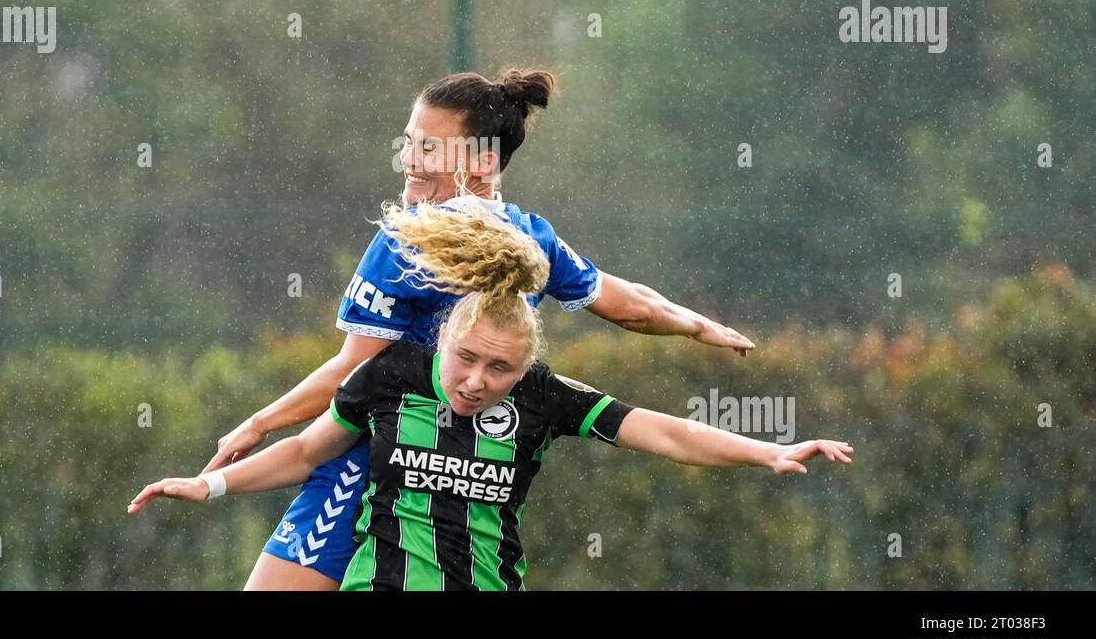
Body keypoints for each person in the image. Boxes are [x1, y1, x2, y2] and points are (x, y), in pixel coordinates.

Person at [203, 68, 756, 590]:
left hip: (370, 472)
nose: (407, 160)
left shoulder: (409, 240)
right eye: (408, 141)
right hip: (467, 492)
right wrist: (696, 325)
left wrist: (259, 422)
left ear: (482, 160)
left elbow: (354, 368)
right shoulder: (530, 237)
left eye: (426, 147)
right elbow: (629, 305)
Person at [130, 200, 852, 590]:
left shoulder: (546, 398)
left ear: (527, 367)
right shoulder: (388, 376)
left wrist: (768, 453)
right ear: (440, 340)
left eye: (499, 371)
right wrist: (212, 486)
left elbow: (667, 433)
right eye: (466, 360)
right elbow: (303, 453)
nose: (477, 381)